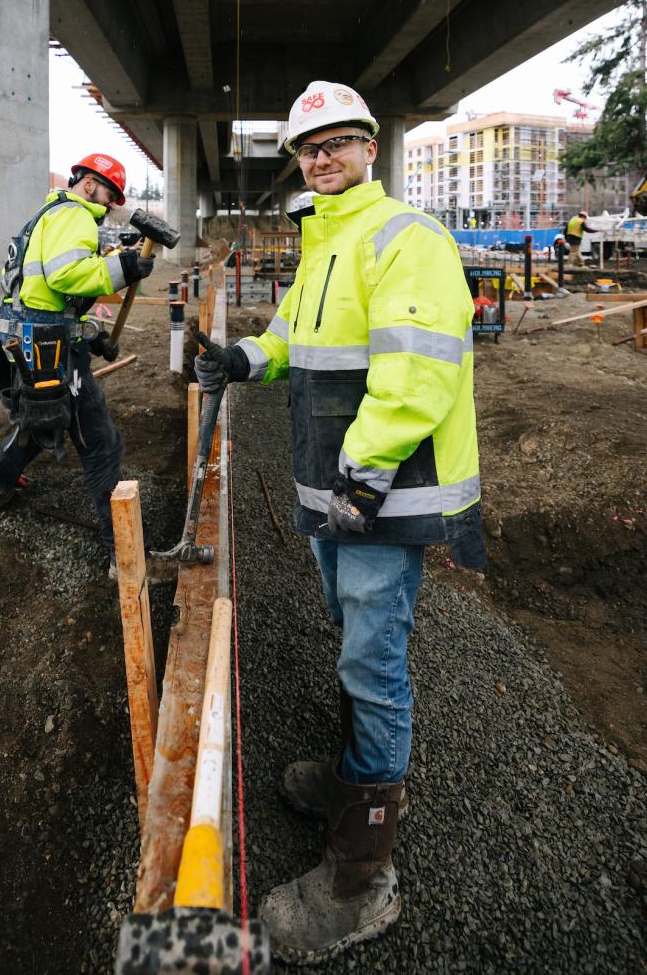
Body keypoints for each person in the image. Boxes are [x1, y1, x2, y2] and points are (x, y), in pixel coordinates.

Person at [194, 80, 485, 964]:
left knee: (372, 657)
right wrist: (243, 356)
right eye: (308, 148)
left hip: (381, 490)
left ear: (368, 149)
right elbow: (294, 336)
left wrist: (362, 474)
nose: (321, 159)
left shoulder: (404, 236)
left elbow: (416, 368)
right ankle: (357, 777)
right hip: (337, 490)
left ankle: (361, 878)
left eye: (337, 144)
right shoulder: (324, 243)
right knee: (349, 635)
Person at [0, 152, 154, 576]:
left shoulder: (50, 213)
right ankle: (122, 548)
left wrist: (93, 338)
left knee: (39, 419)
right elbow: (66, 276)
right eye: (108, 194)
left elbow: (47, 296)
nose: (107, 205)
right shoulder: (75, 213)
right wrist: (123, 266)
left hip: (31, 335)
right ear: (90, 183)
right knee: (98, 440)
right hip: (45, 341)